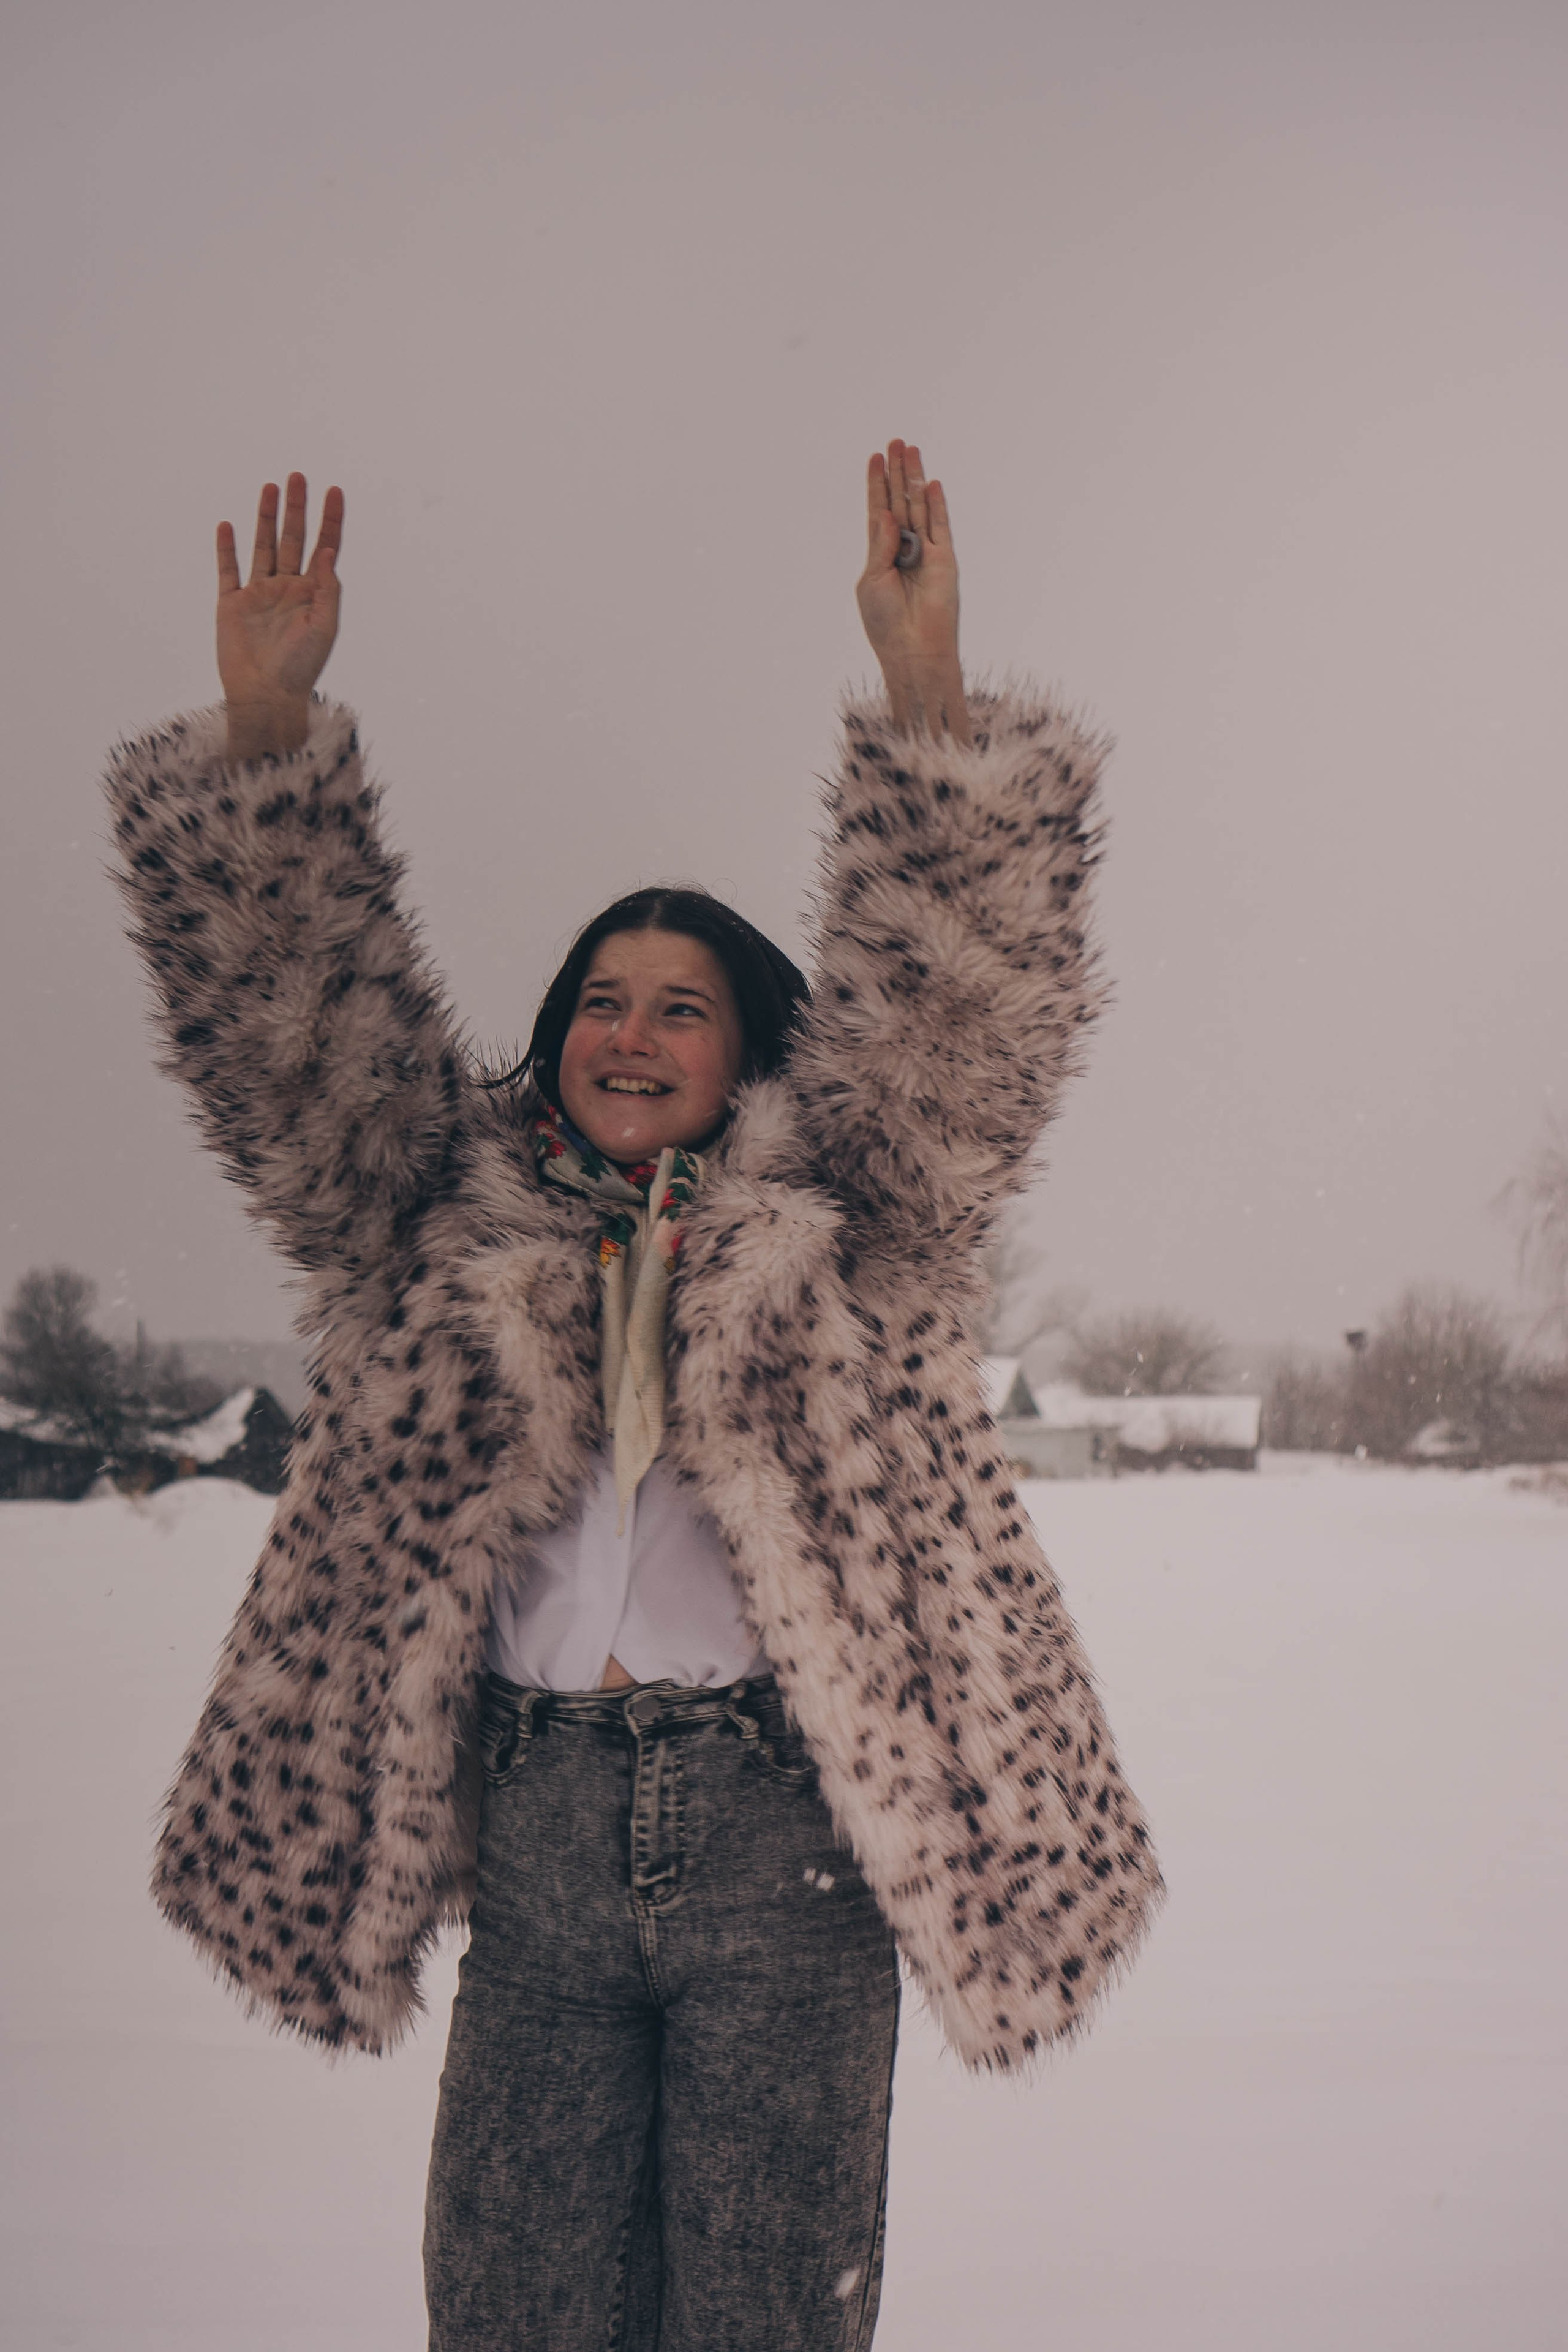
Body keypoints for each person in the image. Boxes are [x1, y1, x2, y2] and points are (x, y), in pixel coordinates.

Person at [106, 443, 1163, 2350]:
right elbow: (295, 1047)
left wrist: (926, 705)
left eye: (684, 1004)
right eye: (601, 997)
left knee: (763, 2323)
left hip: (788, 1851)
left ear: (754, 1050)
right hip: (539, 1850)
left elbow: (960, 1016)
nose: (631, 1031)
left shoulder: (860, 1224)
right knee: (509, 2313)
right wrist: (270, 745)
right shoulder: (433, 1222)